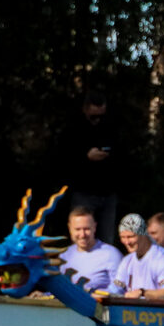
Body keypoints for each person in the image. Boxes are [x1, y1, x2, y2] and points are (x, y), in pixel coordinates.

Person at [54, 89, 126, 234]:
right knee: (82, 235)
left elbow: (122, 155)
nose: (98, 120)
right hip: (83, 192)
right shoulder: (73, 129)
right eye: (94, 116)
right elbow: (62, 160)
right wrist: (85, 157)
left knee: (106, 239)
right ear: (85, 110)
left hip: (108, 192)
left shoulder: (111, 127)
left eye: (101, 116)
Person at [104, 214, 164, 299]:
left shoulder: (162, 259)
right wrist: (97, 294)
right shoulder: (127, 261)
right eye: (123, 237)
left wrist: (143, 293)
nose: (126, 242)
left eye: (130, 237)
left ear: (143, 234)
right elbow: (115, 289)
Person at [56, 206, 123, 292]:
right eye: (77, 229)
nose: (82, 234)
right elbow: (60, 289)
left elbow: (121, 288)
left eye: (87, 229)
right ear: (69, 228)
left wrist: (93, 294)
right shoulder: (64, 255)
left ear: (94, 227)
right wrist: (44, 295)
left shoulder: (111, 254)